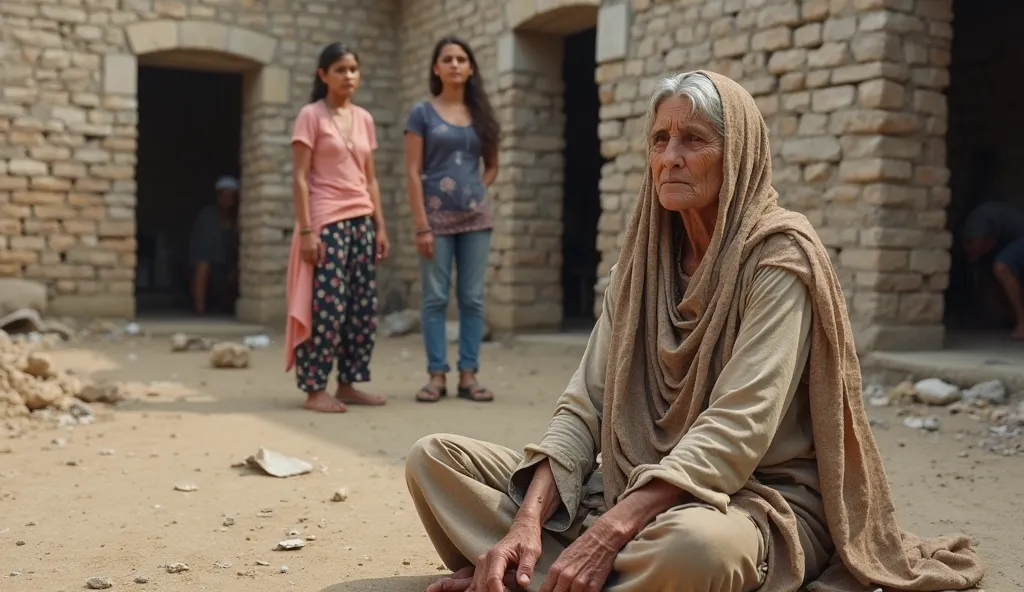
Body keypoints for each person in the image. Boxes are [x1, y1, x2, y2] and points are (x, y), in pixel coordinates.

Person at [405, 71, 984, 592]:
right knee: (433, 460)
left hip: (751, 500)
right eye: (660, 140)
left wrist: (607, 533)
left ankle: (550, 573)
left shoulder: (779, 257)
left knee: (696, 549)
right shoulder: (642, 264)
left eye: (694, 140)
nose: (671, 157)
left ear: (738, 156)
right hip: (629, 487)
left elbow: (739, 426)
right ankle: (544, 563)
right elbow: (585, 406)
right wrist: (529, 520)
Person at [284, 42, 391, 414]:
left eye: (353, 69)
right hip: (326, 221)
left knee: (361, 308)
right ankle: (315, 388)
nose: (349, 76)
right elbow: (299, 178)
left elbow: (370, 178)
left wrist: (380, 225)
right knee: (326, 307)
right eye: (341, 69)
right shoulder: (310, 116)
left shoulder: (364, 118)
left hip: (361, 220)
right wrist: (306, 231)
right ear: (323, 75)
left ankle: (347, 383)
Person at [404, 37, 500, 404]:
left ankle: (469, 375)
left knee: (473, 299)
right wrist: (421, 224)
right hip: (435, 220)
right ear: (436, 68)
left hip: (477, 219)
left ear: (471, 68)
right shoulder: (422, 114)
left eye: (462, 59)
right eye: (447, 59)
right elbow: (413, 172)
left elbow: (492, 165)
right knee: (435, 299)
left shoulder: (482, 115)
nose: (455, 64)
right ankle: (436, 376)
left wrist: (478, 190)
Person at [962, 200, 1024, 339]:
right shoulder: (978, 223)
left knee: (1001, 267)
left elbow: (982, 246)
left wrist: (974, 258)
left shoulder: (978, 225)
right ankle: (1003, 315)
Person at [188, 175, 240, 315]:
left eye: (231, 197)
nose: (227, 201)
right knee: (202, 267)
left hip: (231, 265)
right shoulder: (207, 218)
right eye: (224, 196)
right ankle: (200, 310)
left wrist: (235, 269)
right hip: (212, 264)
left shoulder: (239, 218)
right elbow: (201, 253)